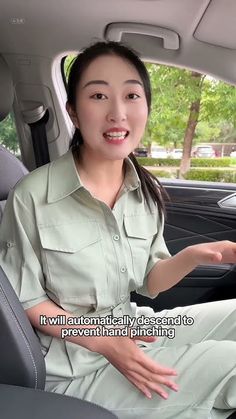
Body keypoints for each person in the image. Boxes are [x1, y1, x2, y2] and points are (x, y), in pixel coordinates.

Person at [0, 41, 236, 419]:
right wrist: (105, 342)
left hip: (130, 324)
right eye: (98, 95)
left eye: (131, 95)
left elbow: (150, 282)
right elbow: (29, 303)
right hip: (74, 366)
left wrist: (195, 256)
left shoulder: (143, 190)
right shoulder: (32, 194)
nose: (118, 112)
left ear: (146, 107)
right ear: (73, 111)